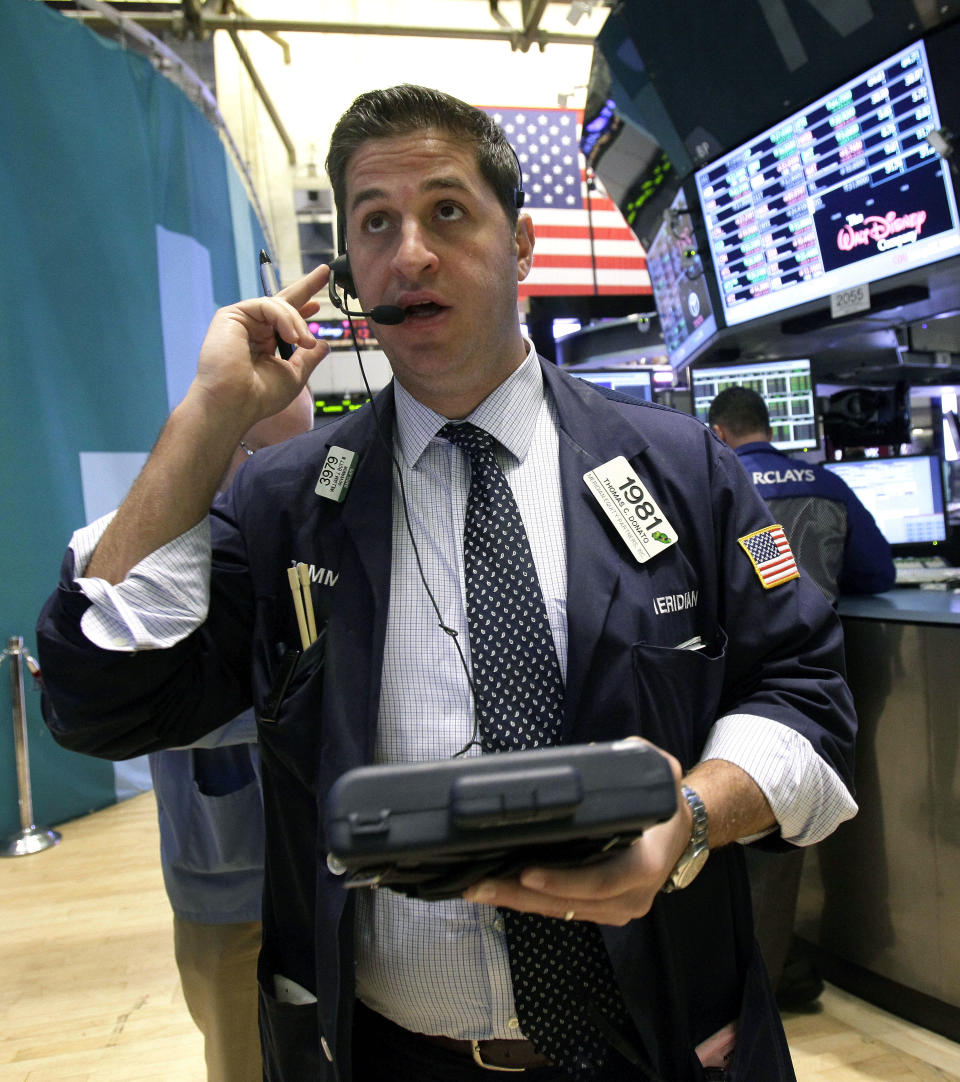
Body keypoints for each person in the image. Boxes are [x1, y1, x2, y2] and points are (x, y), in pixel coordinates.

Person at [37, 85, 859, 1082]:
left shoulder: (681, 468)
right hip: (389, 1053)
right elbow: (98, 697)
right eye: (376, 222)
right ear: (346, 274)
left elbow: (802, 696)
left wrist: (689, 815)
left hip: (663, 1043)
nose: (411, 253)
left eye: (446, 212)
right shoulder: (289, 501)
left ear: (524, 247)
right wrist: (211, 415)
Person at [708, 384, 893, 1007]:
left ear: (721, 429)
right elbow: (878, 571)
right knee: (783, 833)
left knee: (728, 832)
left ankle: (742, 986)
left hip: (728, 679)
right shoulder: (824, 483)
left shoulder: (722, 480)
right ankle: (770, 971)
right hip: (821, 682)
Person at [148, 386, 314, 1082]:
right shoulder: (164, 554)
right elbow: (163, 706)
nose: (300, 474)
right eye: (281, 456)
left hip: (326, 886)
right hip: (232, 892)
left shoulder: (310, 535)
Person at [707, 386, 895, 604]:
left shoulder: (715, 488)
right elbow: (878, 573)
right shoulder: (829, 484)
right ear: (770, 432)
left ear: (718, 433)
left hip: (746, 634)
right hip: (824, 633)